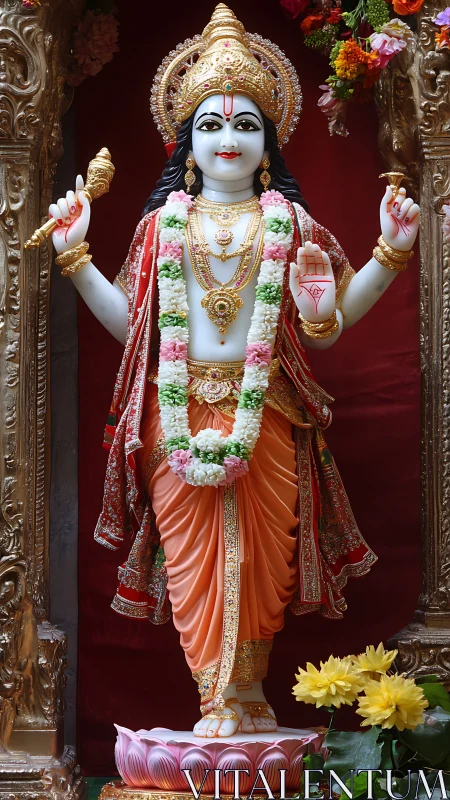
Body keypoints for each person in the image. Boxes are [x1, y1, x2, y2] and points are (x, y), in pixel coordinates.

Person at [49, 4, 419, 738]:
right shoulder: (162, 227)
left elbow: (329, 323)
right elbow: (134, 328)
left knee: (262, 561)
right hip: (177, 412)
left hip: (268, 410)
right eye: (212, 126)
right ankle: (213, 699)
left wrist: (391, 250)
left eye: (246, 125)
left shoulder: (293, 223)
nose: (228, 138)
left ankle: (247, 693)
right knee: (193, 567)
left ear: (269, 143)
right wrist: (75, 256)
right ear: (187, 143)